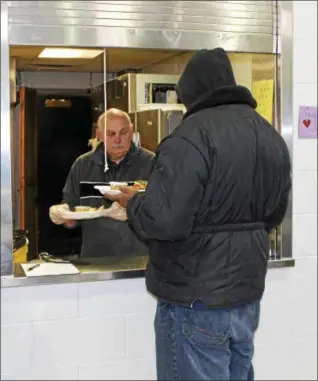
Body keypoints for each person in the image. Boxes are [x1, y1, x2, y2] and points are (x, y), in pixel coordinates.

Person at [106, 48, 292, 380]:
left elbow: (164, 220)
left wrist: (133, 202)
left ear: (192, 93)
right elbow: (274, 214)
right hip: (246, 296)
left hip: (195, 298)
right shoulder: (270, 136)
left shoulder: (189, 138)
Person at [49, 108, 153, 258]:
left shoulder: (151, 163)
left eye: (123, 132)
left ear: (131, 132)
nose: (117, 140)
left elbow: (163, 213)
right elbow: (71, 211)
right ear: (99, 136)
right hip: (95, 259)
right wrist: (63, 216)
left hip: (140, 260)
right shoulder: (83, 165)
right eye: (111, 134)